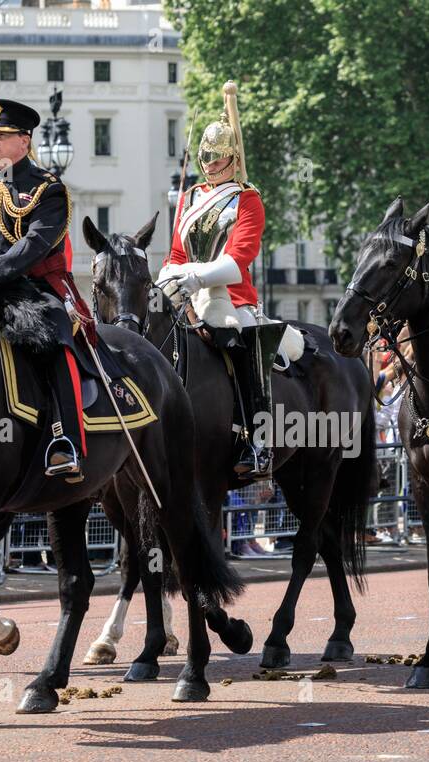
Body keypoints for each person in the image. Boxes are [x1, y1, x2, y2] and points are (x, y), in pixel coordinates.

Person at [158, 81, 300, 478]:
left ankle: (258, 441)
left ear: (233, 158)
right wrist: (170, 278)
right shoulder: (188, 199)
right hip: (186, 297)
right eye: (205, 156)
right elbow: (175, 254)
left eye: (217, 157)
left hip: (231, 298)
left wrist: (193, 277)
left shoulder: (247, 199)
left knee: (240, 340)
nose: (209, 163)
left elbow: (238, 260)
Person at [0, 98, 87, 481]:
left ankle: (66, 440)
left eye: (1, 136)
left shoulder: (49, 189)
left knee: (52, 335)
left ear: (25, 140)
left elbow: (34, 245)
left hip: (35, 286)